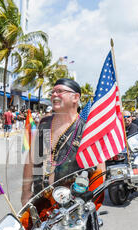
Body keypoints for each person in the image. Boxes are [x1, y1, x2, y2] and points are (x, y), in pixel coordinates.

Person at [21, 78, 105, 206]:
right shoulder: (44, 123)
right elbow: (32, 159)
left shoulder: (87, 130)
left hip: (72, 205)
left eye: (59, 91)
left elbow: (99, 173)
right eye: (53, 92)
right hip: (40, 201)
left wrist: (88, 204)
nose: (54, 94)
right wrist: (26, 192)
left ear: (75, 98)